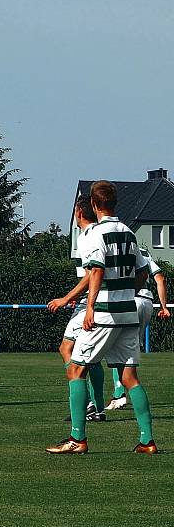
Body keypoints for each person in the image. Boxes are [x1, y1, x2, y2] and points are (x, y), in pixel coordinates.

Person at [46, 180, 156, 454]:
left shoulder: (94, 234)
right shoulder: (129, 233)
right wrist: (126, 291)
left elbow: (95, 271)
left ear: (94, 205)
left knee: (75, 369)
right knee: (130, 377)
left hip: (104, 314)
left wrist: (90, 307)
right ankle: (147, 441)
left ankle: (77, 439)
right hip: (128, 314)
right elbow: (143, 272)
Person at [46, 194, 106, 422]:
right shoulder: (101, 233)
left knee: (66, 349)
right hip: (96, 300)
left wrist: (65, 298)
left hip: (91, 302)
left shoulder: (87, 236)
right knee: (93, 358)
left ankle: (87, 405)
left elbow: (92, 274)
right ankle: (97, 408)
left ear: (79, 213)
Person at [106, 247, 170, 410]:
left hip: (130, 300)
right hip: (147, 303)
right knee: (132, 348)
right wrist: (163, 306)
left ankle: (119, 394)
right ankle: (126, 391)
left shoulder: (118, 250)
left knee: (116, 346)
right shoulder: (145, 254)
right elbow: (160, 279)